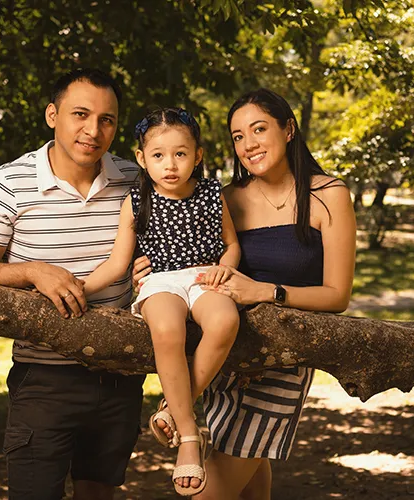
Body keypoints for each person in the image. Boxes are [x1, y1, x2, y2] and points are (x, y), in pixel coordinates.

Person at [135, 88, 356, 499]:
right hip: (226, 353)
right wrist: (147, 268)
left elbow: (337, 296)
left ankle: (173, 408)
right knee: (251, 483)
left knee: (209, 492)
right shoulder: (229, 198)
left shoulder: (329, 195)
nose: (248, 144)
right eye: (238, 136)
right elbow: (185, 252)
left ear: (288, 129)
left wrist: (265, 291)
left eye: (259, 129)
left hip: (283, 357)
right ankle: (180, 411)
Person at [0, 68, 145, 500]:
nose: (93, 130)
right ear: (52, 115)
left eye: (107, 119)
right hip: (42, 379)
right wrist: (30, 270)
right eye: (80, 114)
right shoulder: (8, 182)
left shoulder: (138, 181)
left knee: (100, 494)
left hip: (121, 374)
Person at [83, 107, 241, 496]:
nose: (169, 164)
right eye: (158, 155)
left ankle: (173, 407)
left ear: (198, 155)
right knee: (167, 329)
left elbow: (232, 244)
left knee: (224, 322)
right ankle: (189, 436)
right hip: (160, 282)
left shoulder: (210, 194)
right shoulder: (136, 202)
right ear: (141, 158)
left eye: (180, 154)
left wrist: (227, 267)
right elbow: (119, 263)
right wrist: (77, 287)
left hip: (205, 276)